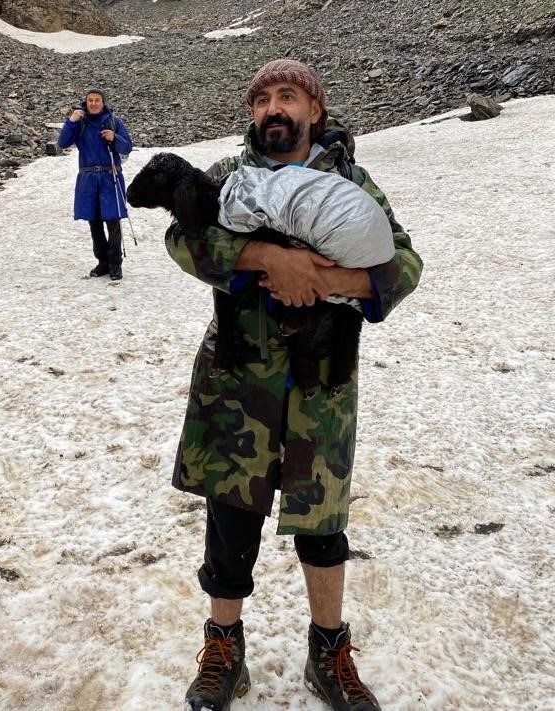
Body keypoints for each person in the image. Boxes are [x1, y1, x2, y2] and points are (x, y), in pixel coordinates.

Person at [165, 60, 423, 711]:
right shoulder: (226, 179)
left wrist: (331, 280)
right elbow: (181, 238)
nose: (274, 108)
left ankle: (327, 651)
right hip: (238, 381)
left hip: (322, 385)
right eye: (263, 100)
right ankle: (225, 648)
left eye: (288, 96)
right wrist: (266, 257)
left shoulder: (352, 182)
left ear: (315, 108)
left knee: (321, 523)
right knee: (230, 515)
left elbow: (405, 262)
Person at [58, 88, 133, 281]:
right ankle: (103, 262)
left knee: (113, 220)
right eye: (90, 100)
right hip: (89, 179)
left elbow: (127, 147)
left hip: (110, 176)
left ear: (102, 102)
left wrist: (114, 138)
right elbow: (63, 143)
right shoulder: (79, 122)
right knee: (95, 221)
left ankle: (115, 264)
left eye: (97, 100)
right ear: (86, 102)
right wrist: (71, 121)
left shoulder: (113, 122)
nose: (93, 103)